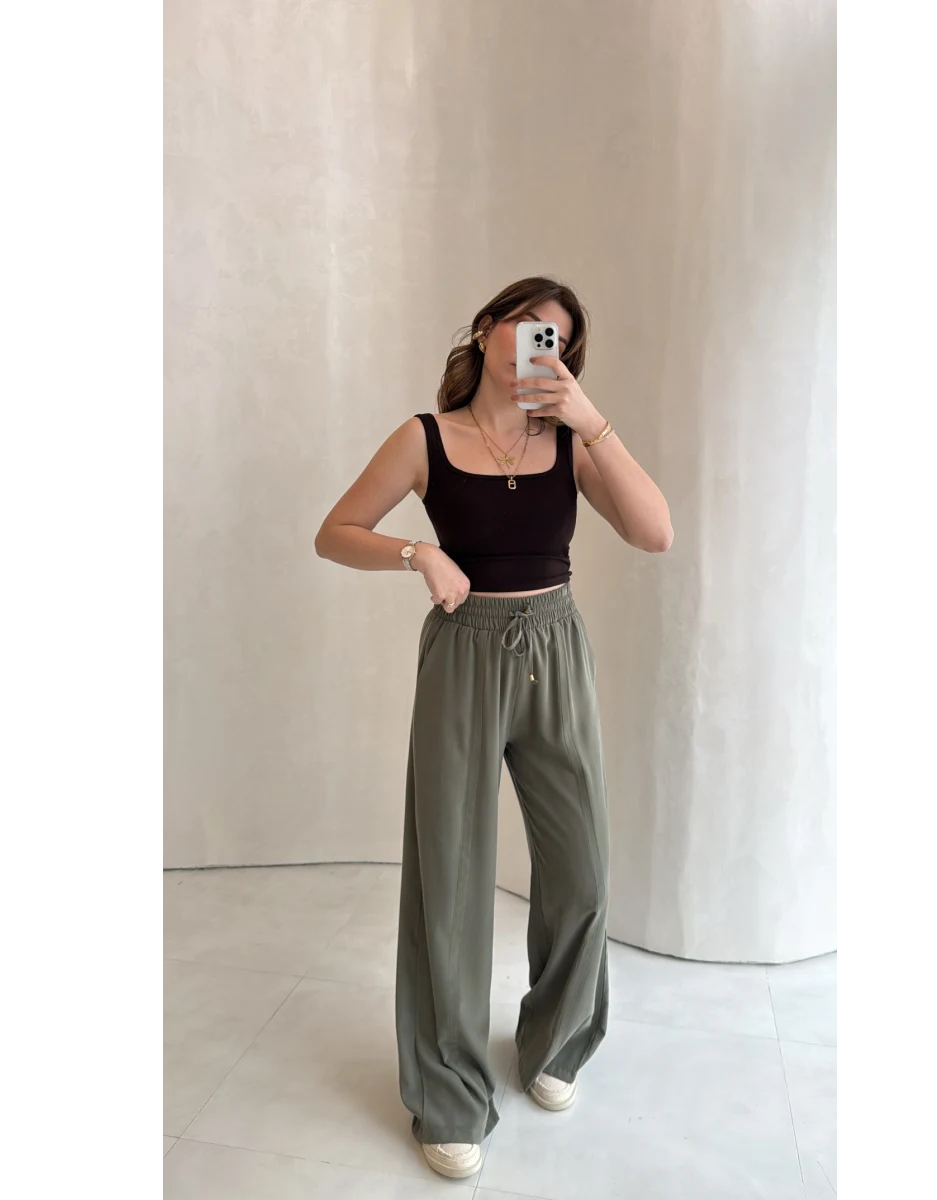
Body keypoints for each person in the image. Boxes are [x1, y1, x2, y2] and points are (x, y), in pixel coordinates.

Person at [314, 276, 673, 1180]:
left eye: (558, 340)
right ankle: (448, 1093)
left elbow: (655, 532)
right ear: (486, 329)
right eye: (526, 327)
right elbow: (336, 531)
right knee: (452, 879)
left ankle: (556, 1040)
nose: (539, 347)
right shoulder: (424, 438)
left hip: (555, 649)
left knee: (581, 865)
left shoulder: (570, 442)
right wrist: (418, 551)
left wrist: (592, 421)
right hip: (463, 657)